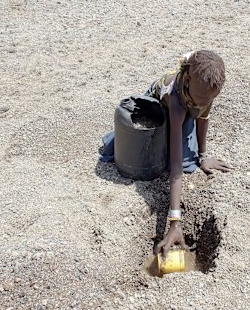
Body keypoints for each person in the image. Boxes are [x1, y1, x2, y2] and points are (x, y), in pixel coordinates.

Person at [100, 50, 233, 257]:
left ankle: (177, 138)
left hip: (185, 111)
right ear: (187, 80)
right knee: (160, 159)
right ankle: (120, 138)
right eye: (199, 99)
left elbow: (202, 117)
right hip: (160, 110)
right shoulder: (176, 100)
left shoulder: (205, 91)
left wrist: (204, 157)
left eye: (206, 100)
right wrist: (174, 222)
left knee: (191, 163)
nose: (202, 103)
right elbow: (177, 169)